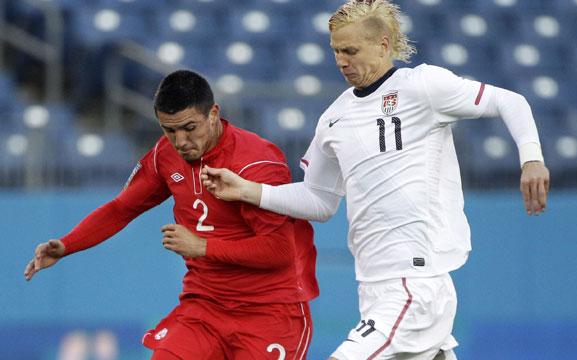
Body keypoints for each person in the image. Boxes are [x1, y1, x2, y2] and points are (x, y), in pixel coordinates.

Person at [200, 1, 550, 359]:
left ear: (383, 44)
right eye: (336, 50)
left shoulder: (423, 85)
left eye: (350, 50)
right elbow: (318, 200)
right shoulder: (334, 117)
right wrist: (248, 191)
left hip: (414, 279)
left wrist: (532, 159)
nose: (340, 61)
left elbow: (510, 101)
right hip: (372, 282)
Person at [24, 70, 319, 360]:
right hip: (206, 308)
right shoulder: (165, 155)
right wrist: (67, 245)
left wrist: (202, 247)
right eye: (169, 130)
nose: (180, 141)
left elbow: (280, 251)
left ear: (213, 113)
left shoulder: (256, 163)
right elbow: (122, 208)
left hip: (270, 312)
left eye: (190, 128)